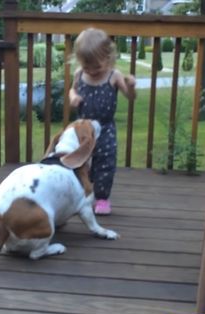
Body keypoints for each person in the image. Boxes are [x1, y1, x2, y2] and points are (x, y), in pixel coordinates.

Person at [69, 27, 136, 215]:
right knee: (79, 161)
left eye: (96, 66)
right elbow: (72, 90)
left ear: (109, 58)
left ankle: (102, 198)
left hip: (105, 129)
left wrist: (130, 86)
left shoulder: (114, 75)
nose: (91, 70)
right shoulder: (79, 74)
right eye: (87, 66)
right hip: (83, 128)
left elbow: (130, 96)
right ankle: (80, 195)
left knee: (105, 163)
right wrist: (73, 96)